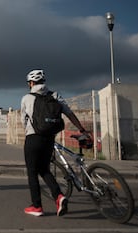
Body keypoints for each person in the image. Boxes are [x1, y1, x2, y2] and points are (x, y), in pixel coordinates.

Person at [20, 69, 88, 217]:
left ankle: (36, 206)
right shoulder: (55, 95)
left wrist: (30, 131)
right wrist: (82, 129)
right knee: (44, 169)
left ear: (31, 83)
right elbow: (69, 113)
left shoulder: (26, 98)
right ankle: (58, 196)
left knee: (32, 172)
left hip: (33, 138)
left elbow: (23, 121)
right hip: (49, 138)